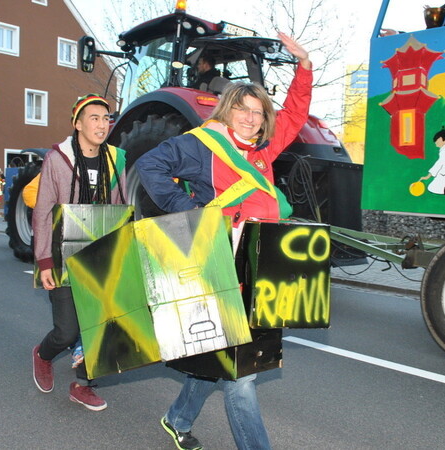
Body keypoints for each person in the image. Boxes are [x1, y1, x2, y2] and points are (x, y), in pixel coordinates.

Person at [136, 32, 311, 450]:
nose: (251, 118)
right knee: (243, 374)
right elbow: (150, 163)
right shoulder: (203, 146)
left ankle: (177, 417)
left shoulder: (262, 151)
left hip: (262, 264)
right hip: (221, 264)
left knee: (226, 357)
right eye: (243, 110)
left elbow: (296, 114)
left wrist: (304, 66)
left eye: (257, 112)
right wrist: (190, 209)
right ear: (227, 109)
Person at [31, 93, 127, 412]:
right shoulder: (58, 158)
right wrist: (44, 260)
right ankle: (44, 354)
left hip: (99, 255)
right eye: (94, 119)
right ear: (78, 124)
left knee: (99, 329)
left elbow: (120, 208)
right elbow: (43, 210)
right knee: (67, 330)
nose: (102, 125)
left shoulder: (117, 159)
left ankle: (83, 385)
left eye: (106, 119)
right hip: (62, 254)